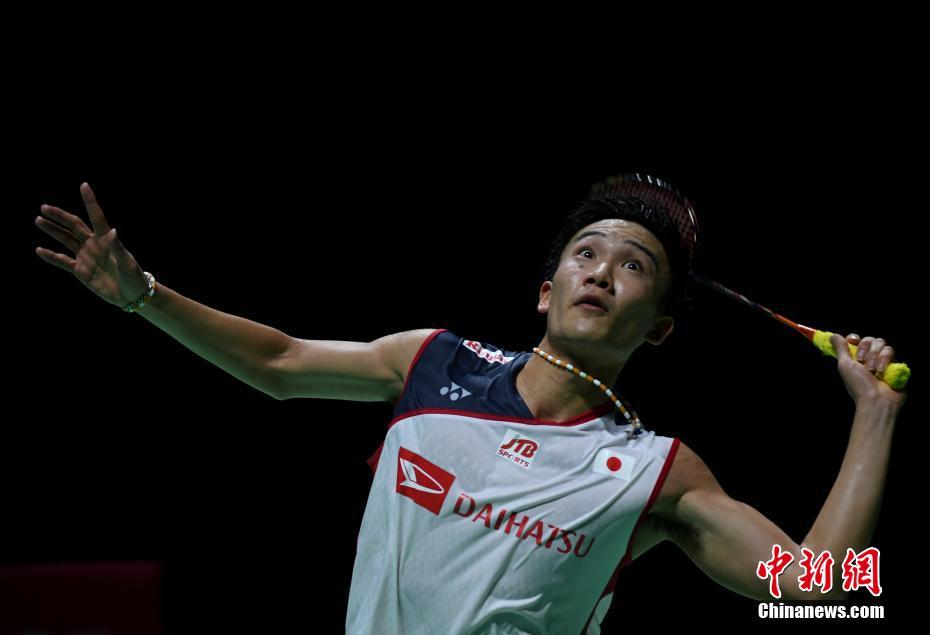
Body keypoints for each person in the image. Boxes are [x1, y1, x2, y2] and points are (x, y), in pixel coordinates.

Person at [35, 181, 907, 634]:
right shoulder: (431, 363)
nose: (602, 272)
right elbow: (280, 361)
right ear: (545, 289)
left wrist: (872, 414)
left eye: (633, 266)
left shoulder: (654, 471)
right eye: (586, 253)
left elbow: (814, 588)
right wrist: (144, 295)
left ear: (660, 329)